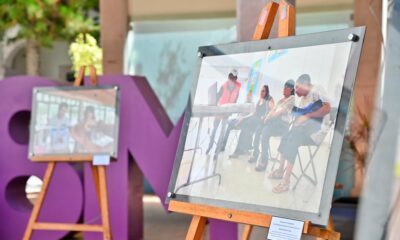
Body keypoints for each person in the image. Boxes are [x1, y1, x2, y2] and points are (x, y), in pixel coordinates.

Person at [270, 74, 331, 193]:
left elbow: (327, 108)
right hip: (305, 130)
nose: (295, 90)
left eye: (297, 87)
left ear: (306, 85)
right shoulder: (302, 100)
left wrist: (307, 116)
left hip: (317, 132)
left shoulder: (317, 89)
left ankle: (286, 181)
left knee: (294, 137)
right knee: (288, 134)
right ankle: (280, 170)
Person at [251, 80, 295, 171]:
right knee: (260, 129)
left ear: (291, 89)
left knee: (265, 131)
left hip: (283, 126)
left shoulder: (292, 99)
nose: (283, 89)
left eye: (286, 88)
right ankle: (257, 154)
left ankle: (263, 160)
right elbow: (273, 110)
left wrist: (268, 118)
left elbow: (279, 112)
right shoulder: (280, 100)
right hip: (274, 123)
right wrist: (267, 117)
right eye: (284, 87)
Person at [229, 85, 274, 158]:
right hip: (254, 118)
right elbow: (254, 113)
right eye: (261, 91)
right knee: (245, 124)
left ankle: (239, 150)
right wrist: (244, 117)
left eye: (263, 91)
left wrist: (266, 116)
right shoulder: (259, 100)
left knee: (246, 125)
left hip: (260, 120)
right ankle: (243, 149)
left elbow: (273, 110)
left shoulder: (269, 99)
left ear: (267, 92)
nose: (261, 92)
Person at [206, 69, 241, 154]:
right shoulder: (223, 86)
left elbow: (235, 101)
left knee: (222, 133)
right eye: (230, 77)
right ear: (229, 77)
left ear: (235, 79)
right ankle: (209, 147)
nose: (231, 79)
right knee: (214, 130)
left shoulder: (237, 89)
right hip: (218, 112)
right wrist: (213, 104)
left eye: (233, 78)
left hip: (226, 114)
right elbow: (217, 97)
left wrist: (231, 110)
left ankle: (216, 151)